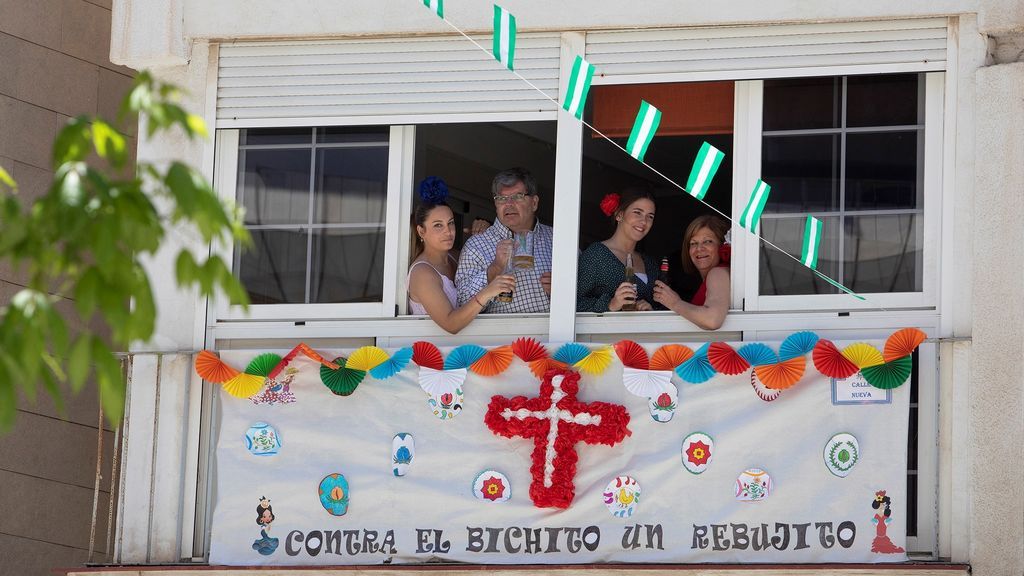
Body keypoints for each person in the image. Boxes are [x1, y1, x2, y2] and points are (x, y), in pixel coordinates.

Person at [408, 177, 515, 334]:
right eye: (438, 225)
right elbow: (451, 323)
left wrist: (486, 232)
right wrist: (488, 291)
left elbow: (481, 260)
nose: (448, 231)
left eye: (450, 223)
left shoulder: (456, 257)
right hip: (437, 354)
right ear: (421, 231)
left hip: (465, 348)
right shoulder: (422, 273)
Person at [456, 167, 553, 313]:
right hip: (502, 334)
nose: (509, 204)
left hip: (553, 334)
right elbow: (462, 304)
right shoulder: (476, 246)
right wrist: (493, 269)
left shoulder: (557, 240)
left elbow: (586, 293)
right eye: (501, 198)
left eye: (517, 196)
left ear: (534, 203)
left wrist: (563, 291)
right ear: (496, 205)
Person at [576, 188, 659, 312]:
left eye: (650, 216)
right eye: (637, 212)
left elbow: (663, 307)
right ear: (619, 214)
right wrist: (611, 304)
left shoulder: (650, 263)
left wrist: (651, 309)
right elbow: (571, 303)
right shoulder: (596, 255)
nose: (644, 221)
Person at [653, 214, 730, 330]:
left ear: (722, 245)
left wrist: (675, 303)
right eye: (693, 243)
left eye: (708, 241)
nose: (699, 248)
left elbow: (712, 320)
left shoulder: (717, 273)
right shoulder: (715, 275)